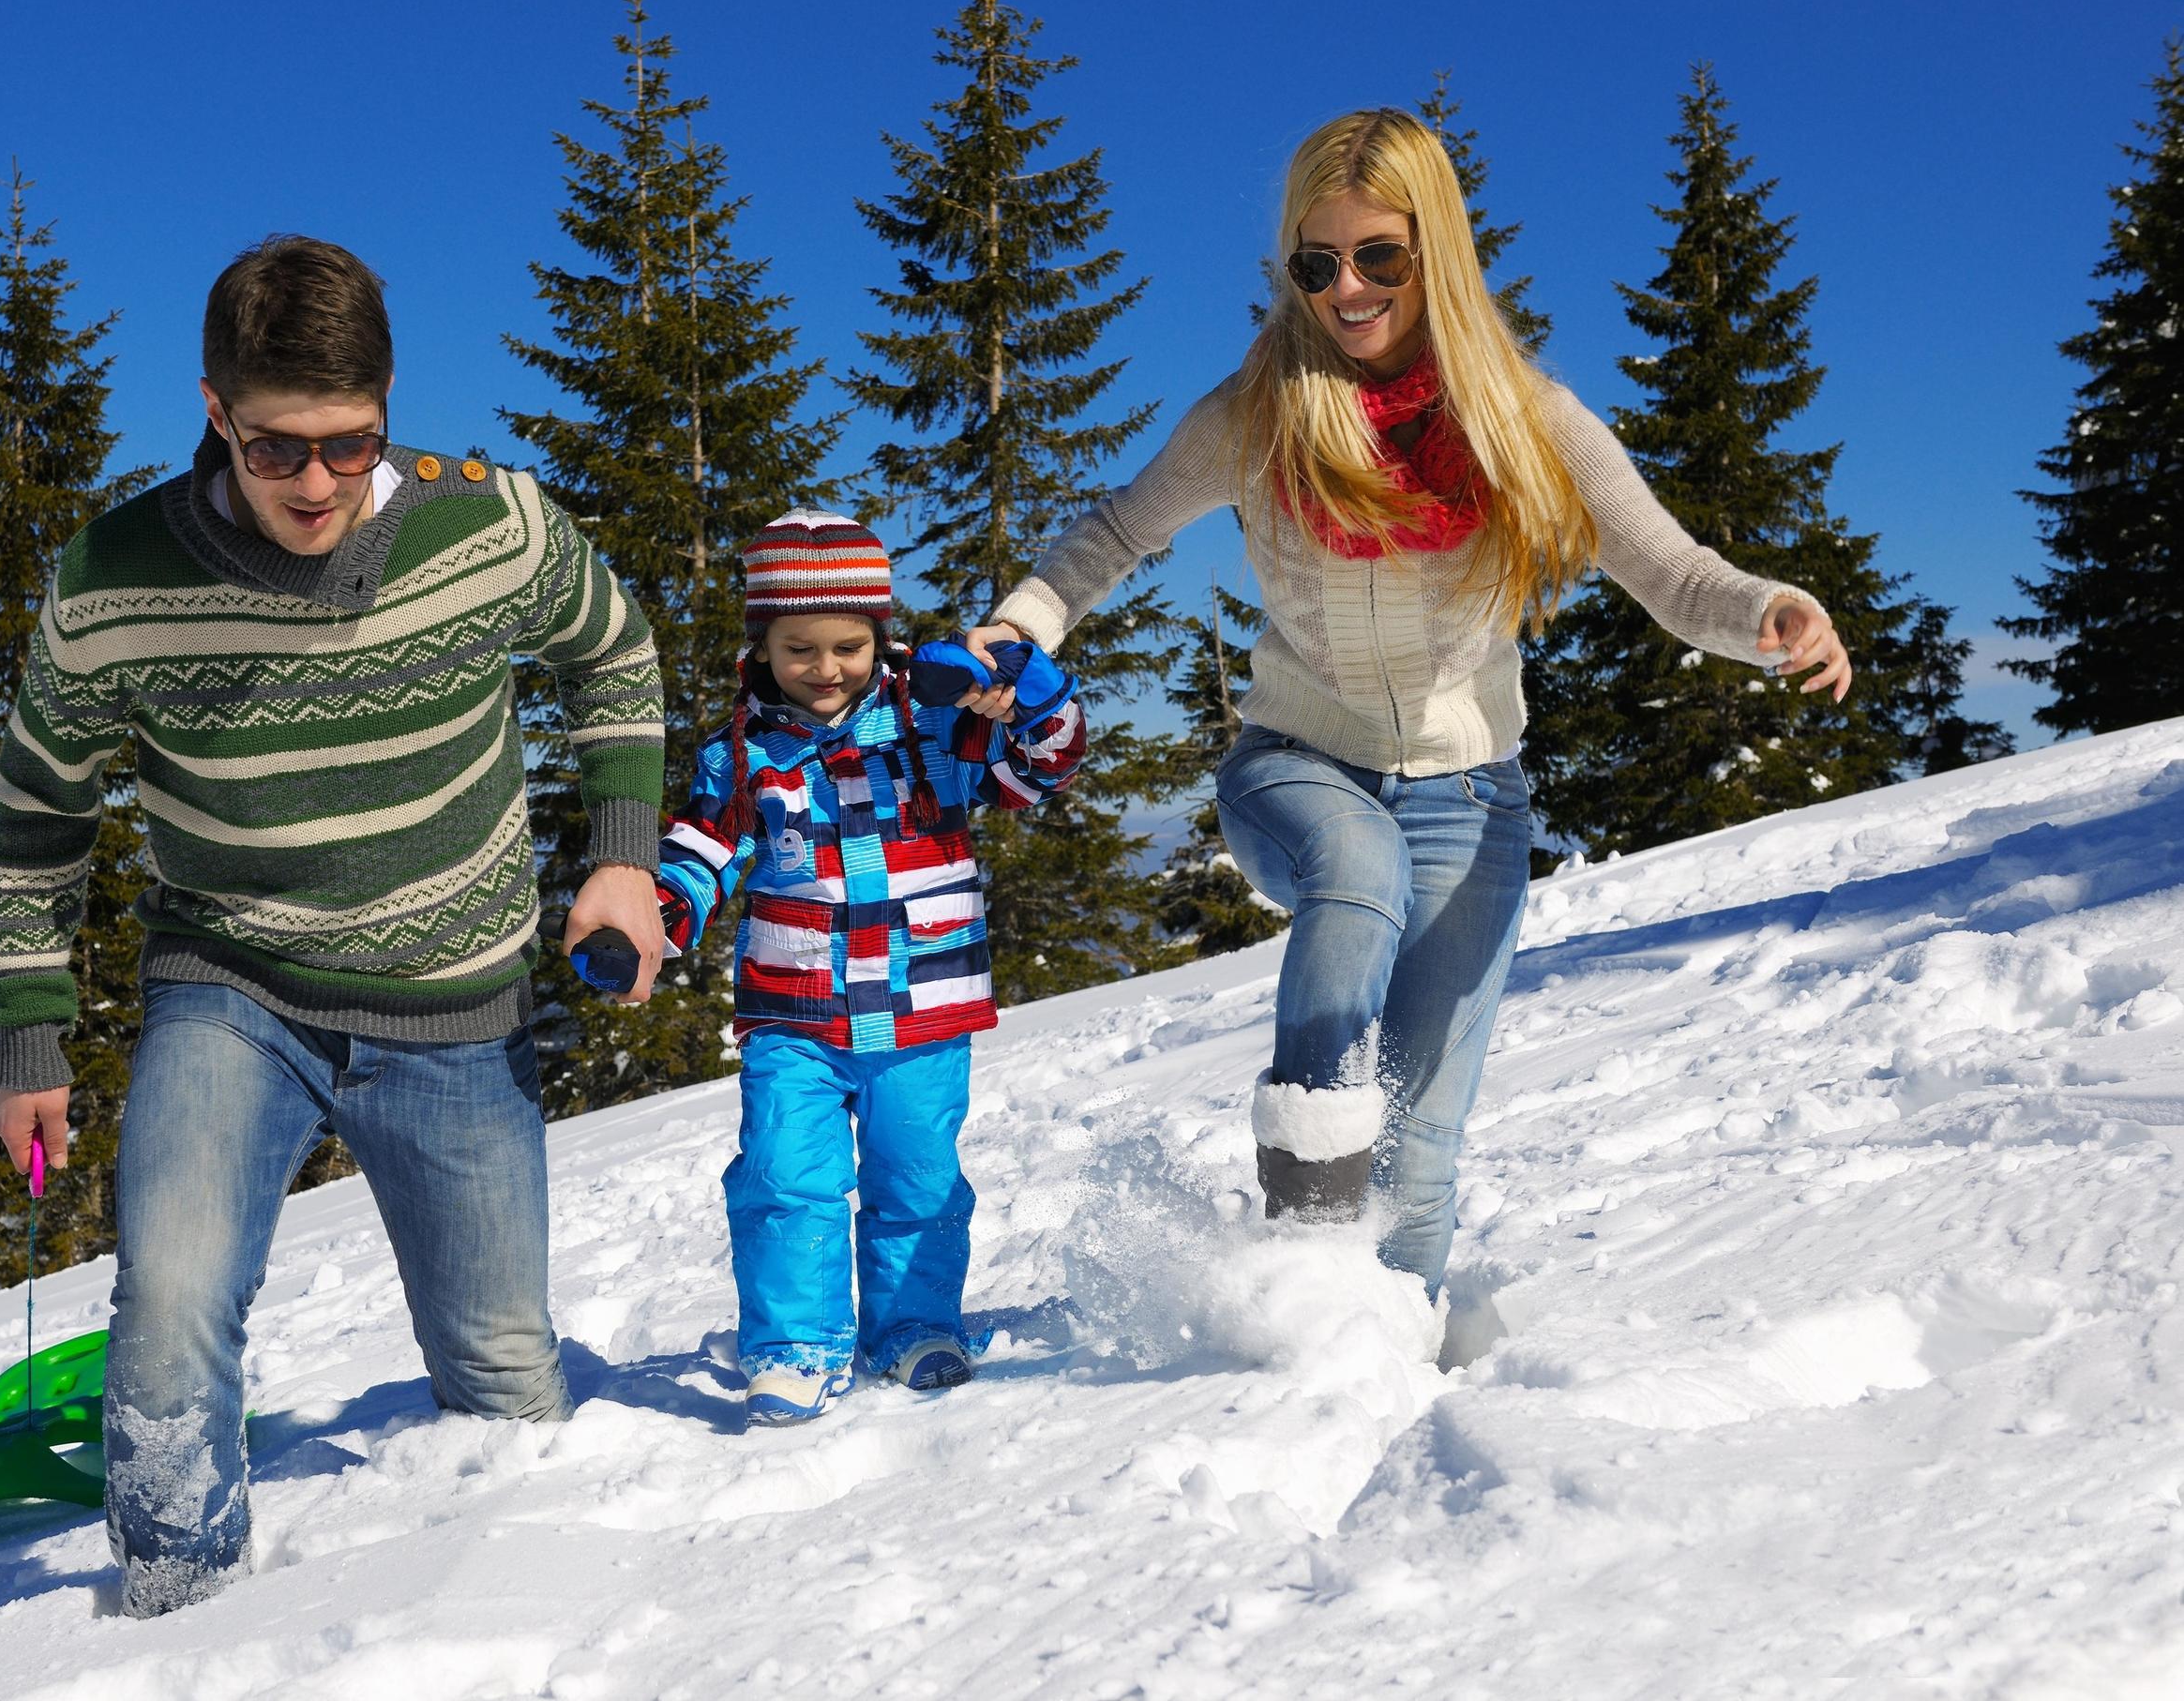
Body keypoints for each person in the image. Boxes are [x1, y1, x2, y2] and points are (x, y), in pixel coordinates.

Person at [966, 109, 1852, 1301]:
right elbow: (1119, 531)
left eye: (1379, 256)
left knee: (1423, 1146)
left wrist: (1771, 613)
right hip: (1297, 764)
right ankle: (1298, 1235)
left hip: (1471, 795)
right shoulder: (1256, 416)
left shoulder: (1525, 421)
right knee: (1356, 867)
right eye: (1317, 262)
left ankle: (1384, 1362)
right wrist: (1021, 624)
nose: (1347, 289)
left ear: (1436, 250)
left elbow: (1672, 571)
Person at [0, 236, 668, 1618]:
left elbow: (613, 649)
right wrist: (27, 1036)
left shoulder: (496, 528)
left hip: (461, 1009)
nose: (314, 485)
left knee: (507, 1398)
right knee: (167, 1317)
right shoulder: (114, 578)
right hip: (234, 987)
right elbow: (34, 817)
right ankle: (170, 1621)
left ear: (388, 408)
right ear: (216, 409)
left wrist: (620, 859)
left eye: (350, 448)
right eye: (278, 447)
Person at [653, 511, 1088, 1424]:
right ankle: (796, 1347)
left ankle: (914, 1325)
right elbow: (702, 848)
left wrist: (1031, 692)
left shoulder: (938, 729)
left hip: (923, 1009)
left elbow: (1040, 770)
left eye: (848, 644)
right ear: (761, 645)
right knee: (783, 1172)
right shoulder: (740, 754)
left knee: (917, 1175)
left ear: (879, 637)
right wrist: (657, 918)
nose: (825, 666)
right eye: (798, 646)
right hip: (795, 1018)